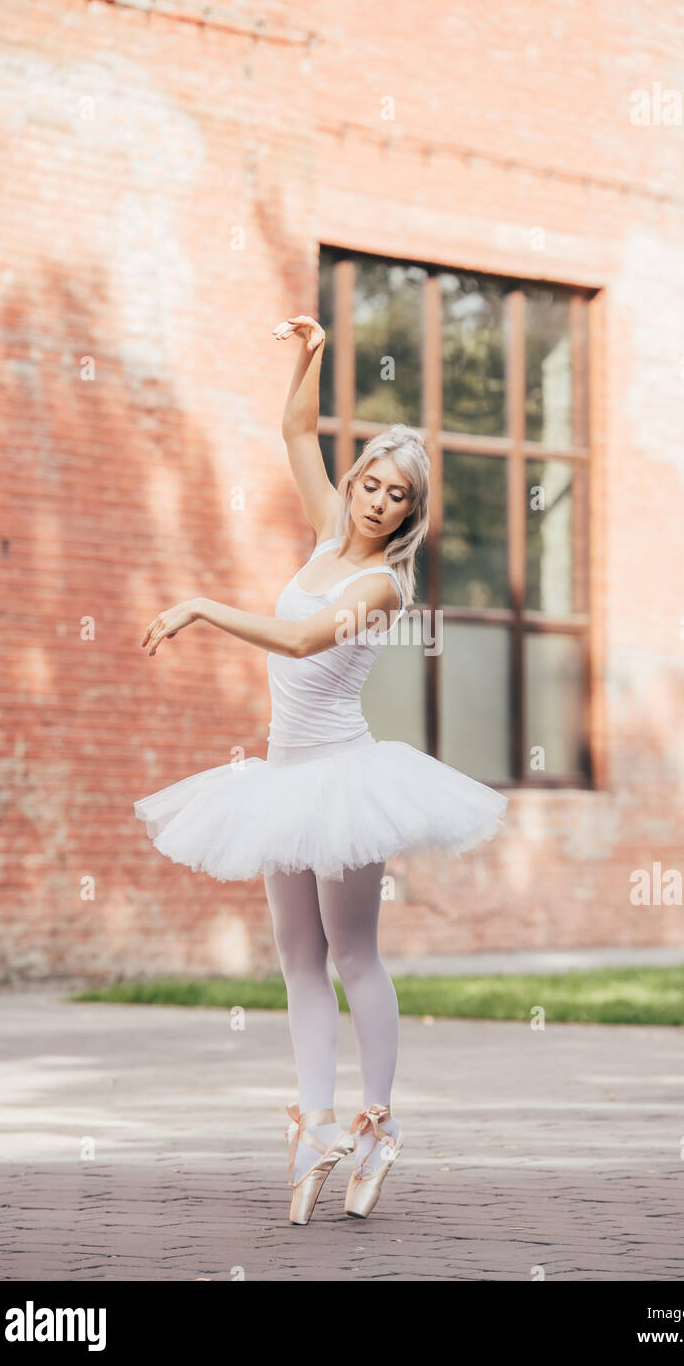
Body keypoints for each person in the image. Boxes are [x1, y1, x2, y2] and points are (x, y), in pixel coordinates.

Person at [134, 314, 509, 1224]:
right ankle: (316, 1123)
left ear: (410, 515)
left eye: (397, 496)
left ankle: (378, 1125)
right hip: (276, 777)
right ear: (355, 484)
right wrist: (313, 352)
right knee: (298, 960)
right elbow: (295, 431)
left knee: (353, 953)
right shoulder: (323, 533)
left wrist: (200, 605)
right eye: (372, 483)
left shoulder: (381, 584)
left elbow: (303, 639)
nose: (378, 502)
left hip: (343, 780)